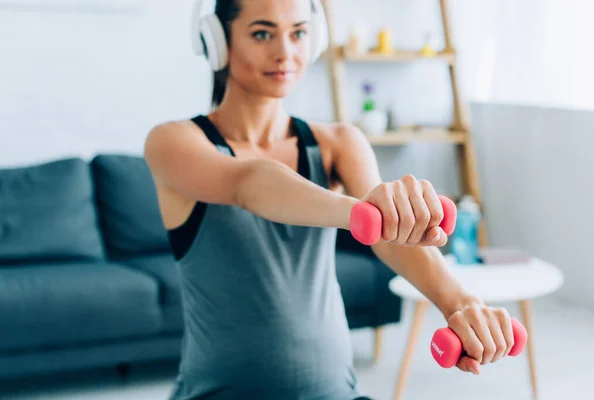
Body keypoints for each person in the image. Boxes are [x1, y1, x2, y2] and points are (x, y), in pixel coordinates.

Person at [144, 0, 516, 399]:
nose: (285, 52)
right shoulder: (174, 142)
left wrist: (459, 302)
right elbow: (250, 184)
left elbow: (391, 239)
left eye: (299, 32)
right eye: (262, 33)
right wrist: (364, 213)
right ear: (217, 41)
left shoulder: (338, 142)